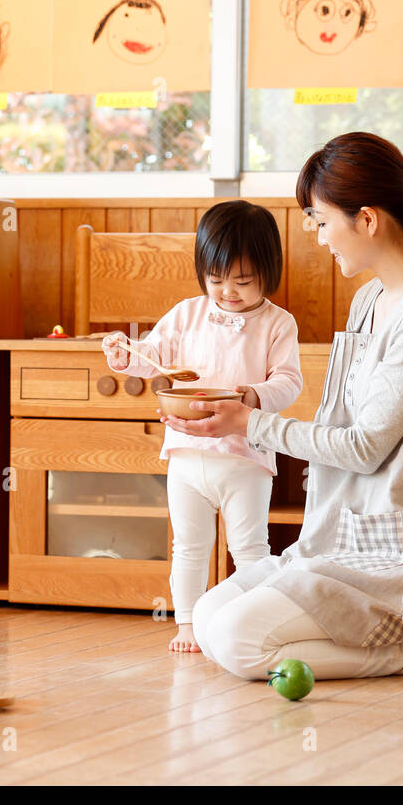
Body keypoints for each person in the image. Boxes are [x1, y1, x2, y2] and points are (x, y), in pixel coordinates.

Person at [165, 132, 403, 680]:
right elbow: (336, 426)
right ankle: (396, 645)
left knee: (236, 640)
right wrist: (243, 410)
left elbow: (364, 449)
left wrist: (251, 423)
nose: (319, 238)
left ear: (367, 219)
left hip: (400, 559)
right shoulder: (370, 299)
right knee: (204, 617)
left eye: (321, 221)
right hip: (341, 538)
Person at [102, 200, 302, 654]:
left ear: (269, 272)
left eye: (243, 281)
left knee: (251, 548)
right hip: (187, 456)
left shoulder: (277, 324)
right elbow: (149, 356)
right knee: (189, 547)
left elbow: (288, 382)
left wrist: (251, 397)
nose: (228, 291)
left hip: (245, 457)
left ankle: (255, 624)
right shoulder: (186, 314)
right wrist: (122, 352)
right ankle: (188, 624)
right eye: (216, 279)